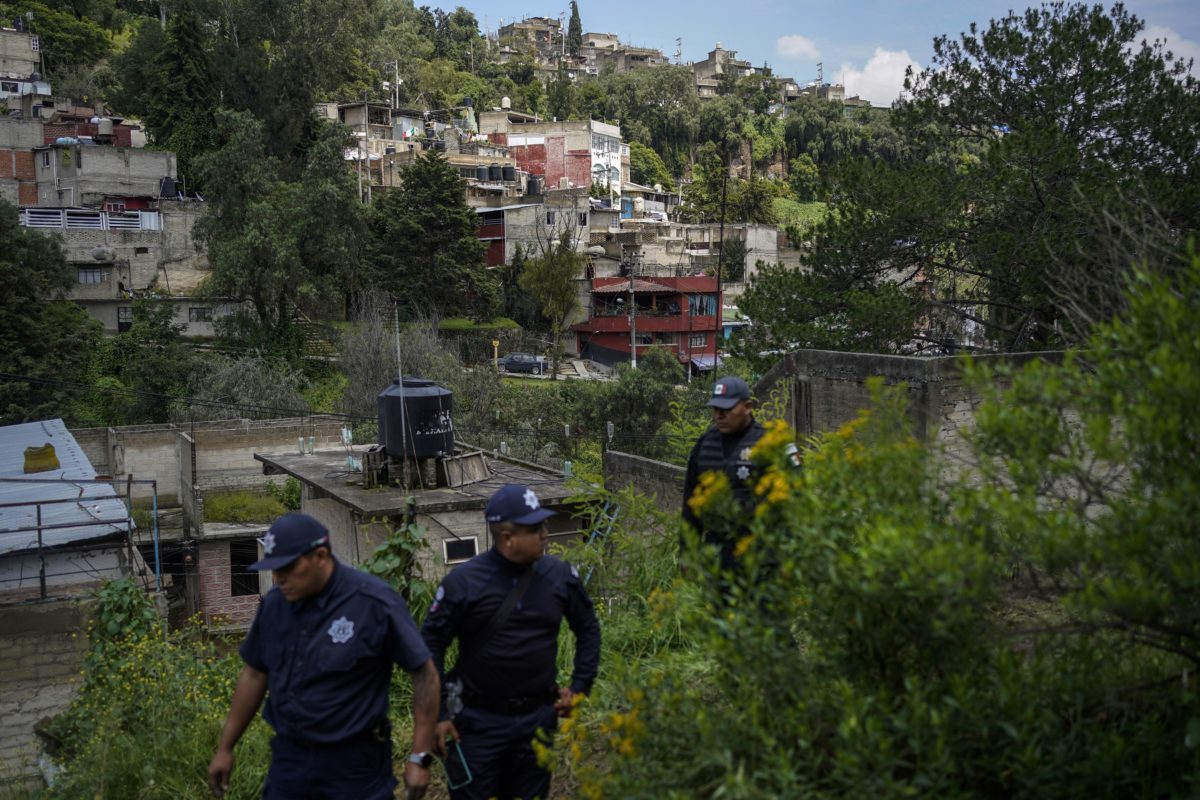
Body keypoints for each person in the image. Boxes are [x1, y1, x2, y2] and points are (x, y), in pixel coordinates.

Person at [207, 512, 440, 800]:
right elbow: (255, 673)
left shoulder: (373, 603)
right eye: (274, 570)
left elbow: (424, 674)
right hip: (290, 760)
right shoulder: (275, 606)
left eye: (288, 568)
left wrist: (419, 755)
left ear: (320, 556)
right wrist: (226, 747)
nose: (279, 579)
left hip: (355, 767)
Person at [421, 483, 601, 800]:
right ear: (508, 538)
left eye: (545, 524)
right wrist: (439, 716)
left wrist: (580, 686)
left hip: (538, 719)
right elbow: (431, 647)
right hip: (476, 724)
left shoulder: (560, 577)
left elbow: (588, 628)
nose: (546, 533)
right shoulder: (464, 584)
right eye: (536, 528)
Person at [681, 376, 767, 572]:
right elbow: (690, 505)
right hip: (717, 556)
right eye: (715, 409)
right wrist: (688, 554)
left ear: (747, 406)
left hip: (759, 556)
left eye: (726, 409)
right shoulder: (705, 445)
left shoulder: (767, 444)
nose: (719, 415)